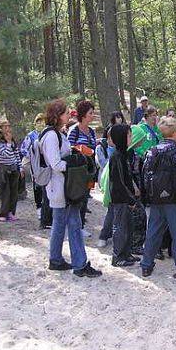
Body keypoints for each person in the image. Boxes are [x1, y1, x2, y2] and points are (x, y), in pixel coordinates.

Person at [42, 99, 102, 277]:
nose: (70, 115)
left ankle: (56, 259)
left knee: (60, 223)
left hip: (60, 186)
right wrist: (75, 161)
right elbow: (56, 163)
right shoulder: (52, 136)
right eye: (67, 112)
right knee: (74, 223)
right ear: (58, 115)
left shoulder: (56, 134)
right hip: (63, 187)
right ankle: (80, 264)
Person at [140, 116, 176, 279]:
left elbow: (144, 176)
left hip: (156, 200)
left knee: (152, 233)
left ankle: (146, 265)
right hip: (174, 201)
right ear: (175, 132)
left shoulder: (152, 152)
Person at [108, 124, 140, 267]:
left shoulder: (124, 154)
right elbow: (119, 182)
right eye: (128, 135)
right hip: (121, 199)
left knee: (128, 227)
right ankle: (118, 256)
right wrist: (130, 199)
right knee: (120, 228)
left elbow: (127, 178)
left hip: (127, 198)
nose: (130, 138)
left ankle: (127, 253)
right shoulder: (116, 156)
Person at [68, 100, 97, 234]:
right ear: (83, 115)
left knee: (86, 196)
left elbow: (94, 147)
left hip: (89, 169)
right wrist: (80, 149)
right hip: (78, 169)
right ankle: (76, 226)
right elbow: (68, 148)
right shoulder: (74, 130)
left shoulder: (91, 131)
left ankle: (81, 225)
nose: (93, 115)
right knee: (78, 197)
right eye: (91, 113)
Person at [0, 120, 24, 222]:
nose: (7, 129)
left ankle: (11, 212)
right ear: (0, 129)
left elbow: (17, 155)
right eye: (5, 127)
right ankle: (3, 213)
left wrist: (20, 168)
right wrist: (8, 143)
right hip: (3, 169)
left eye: (8, 126)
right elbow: (5, 154)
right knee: (5, 192)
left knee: (14, 192)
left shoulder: (13, 141)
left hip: (13, 168)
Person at [20, 113, 47, 222]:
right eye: (38, 122)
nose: (41, 124)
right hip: (35, 164)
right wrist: (32, 155)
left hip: (47, 164)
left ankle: (47, 209)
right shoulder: (31, 135)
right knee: (37, 185)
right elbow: (23, 149)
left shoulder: (48, 134)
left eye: (43, 122)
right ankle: (39, 208)